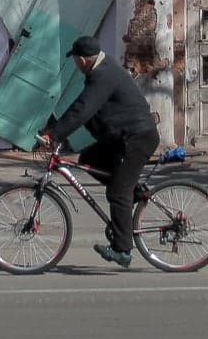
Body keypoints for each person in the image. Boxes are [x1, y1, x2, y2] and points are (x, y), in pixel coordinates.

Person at [37, 34, 159, 269]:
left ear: (82, 60)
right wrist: (56, 131)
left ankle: (123, 250)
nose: (74, 63)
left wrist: (55, 134)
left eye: (74, 60)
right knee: (90, 158)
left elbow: (83, 108)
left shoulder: (104, 75)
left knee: (117, 193)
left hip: (137, 139)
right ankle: (134, 192)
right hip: (122, 137)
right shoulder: (103, 69)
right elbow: (86, 109)